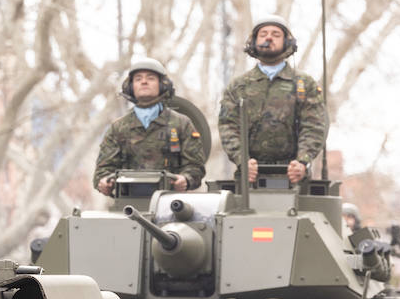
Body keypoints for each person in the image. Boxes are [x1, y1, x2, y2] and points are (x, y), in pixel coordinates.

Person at [217, 15, 328, 184]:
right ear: (254, 42)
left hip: (293, 177)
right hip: (250, 178)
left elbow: (314, 126)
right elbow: (228, 127)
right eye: (263, 34)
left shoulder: (304, 85)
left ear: (287, 42)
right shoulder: (239, 86)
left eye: (276, 35)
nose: (269, 37)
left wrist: (302, 161)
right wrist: (242, 160)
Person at [93, 57, 205, 196]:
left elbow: (195, 167)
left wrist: (186, 179)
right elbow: (103, 171)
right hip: (126, 206)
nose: (144, 82)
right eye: (138, 79)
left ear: (163, 85)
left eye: (150, 78)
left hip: (171, 204)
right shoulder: (118, 128)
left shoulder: (181, 124)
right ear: (130, 86)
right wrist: (104, 182)